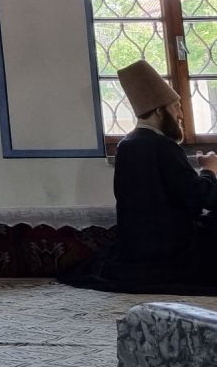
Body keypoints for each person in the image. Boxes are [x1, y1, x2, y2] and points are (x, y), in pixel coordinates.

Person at [59, 60, 217, 294]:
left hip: (135, 248)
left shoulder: (126, 145)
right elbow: (201, 199)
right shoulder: (163, 146)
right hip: (171, 250)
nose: (181, 115)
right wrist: (210, 169)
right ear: (159, 110)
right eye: (176, 107)